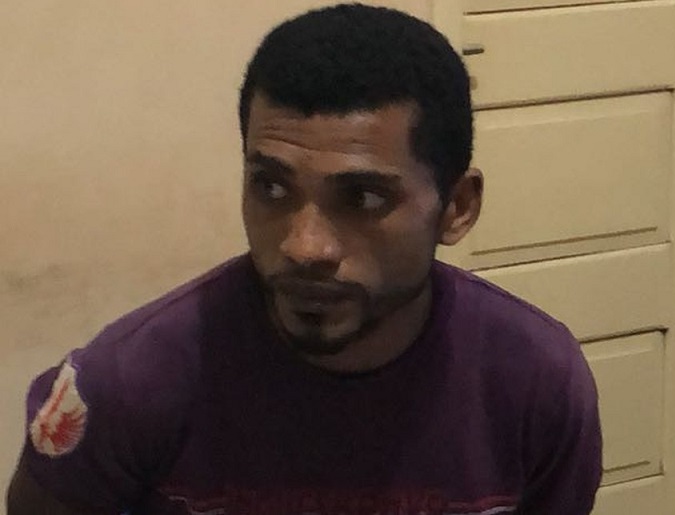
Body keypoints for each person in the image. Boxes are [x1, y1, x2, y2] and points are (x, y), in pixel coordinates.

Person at [6, 4, 602, 514]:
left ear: (458, 208)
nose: (303, 246)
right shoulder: (131, 382)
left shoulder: (535, 382)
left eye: (362, 199)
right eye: (271, 188)